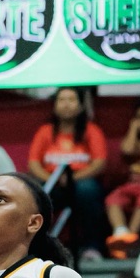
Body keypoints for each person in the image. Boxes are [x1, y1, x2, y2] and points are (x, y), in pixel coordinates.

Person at [27, 87, 108, 261]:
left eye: (71, 100)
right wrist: (53, 180)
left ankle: (92, 247)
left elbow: (99, 163)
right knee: (35, 194)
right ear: (55, 105)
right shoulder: (45, 131)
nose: (66, 104)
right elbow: (33, 164)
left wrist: (72, 179)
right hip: (51, 182)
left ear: (81, 106)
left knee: (88, 190)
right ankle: (36, 248)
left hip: (81, 181)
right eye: (62, 100)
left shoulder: (91, 130)